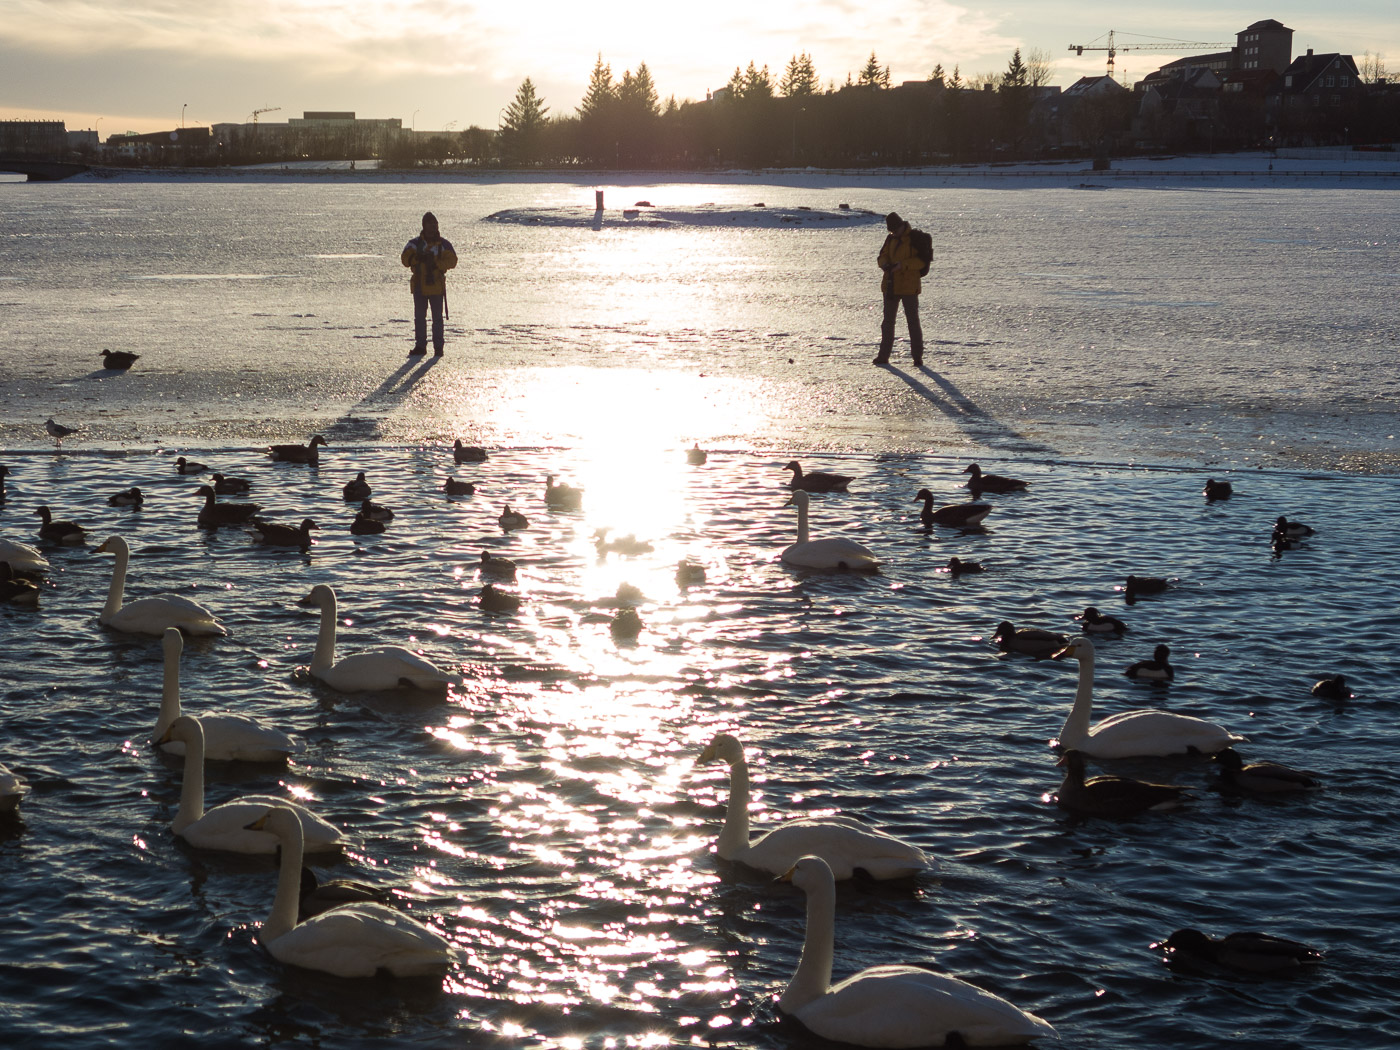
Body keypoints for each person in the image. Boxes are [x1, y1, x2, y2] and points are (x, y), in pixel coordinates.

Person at [401, 212, 458, 356]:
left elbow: (453, 261)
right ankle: (421, 346)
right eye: (430, 225)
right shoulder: (414, 244)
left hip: (437, 287)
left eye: (435, 225)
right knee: (420, 318)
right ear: (424, 226)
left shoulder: (444, 245)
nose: (433, 228)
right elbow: (405, 259)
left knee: (437, 319)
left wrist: (436, 264)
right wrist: (417, 258)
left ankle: (438, 348)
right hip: (420, 285)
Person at [874, 211, 924, 367]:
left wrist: (903, 266)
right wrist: (884, 264)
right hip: (891, 286)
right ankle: (883, 356)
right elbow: (882, 256)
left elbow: (921, 261)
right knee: (887, 322)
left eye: (895, 230)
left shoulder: (914, 239)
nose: (894, 233)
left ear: (902, 226)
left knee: (913, 322)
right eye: (891, 231)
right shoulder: (890, 239)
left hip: (909, 287)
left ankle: (917, 357)